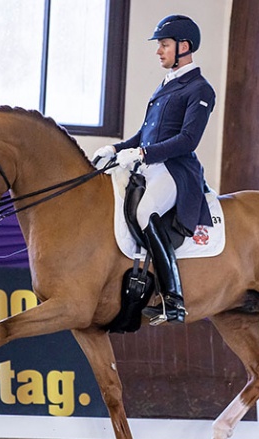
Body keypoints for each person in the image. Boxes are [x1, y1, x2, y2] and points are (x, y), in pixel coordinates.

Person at [94, 14, 216, 324]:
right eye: (159, 45)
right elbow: (144, 135)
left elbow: (187, 140)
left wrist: (143, 153)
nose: (158, 51)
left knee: (144, 211)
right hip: (150, 163)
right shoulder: (166, 85)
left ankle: (173, 297)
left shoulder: (199, 89)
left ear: (183, 46)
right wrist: (117, 149)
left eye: (164, 45)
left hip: (176, 170)